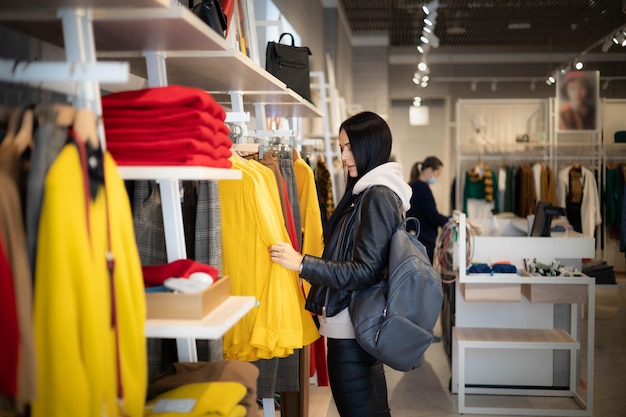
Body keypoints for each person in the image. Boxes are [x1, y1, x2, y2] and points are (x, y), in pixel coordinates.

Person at [269, 111, 411, 417]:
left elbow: (365, 270)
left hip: (351, 330)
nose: (343, 156)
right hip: (355, 325)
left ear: (369, 147)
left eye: (349, 147)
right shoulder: (368, 194)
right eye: (341, 147)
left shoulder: (377, 196)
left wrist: (303, 263)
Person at [407, 157, 449, 264]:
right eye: (437, 174)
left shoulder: (412, 186)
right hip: (424, 239)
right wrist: (450, 220)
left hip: (416, 237)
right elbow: (432, 215)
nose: (437, 177)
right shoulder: (422, 189)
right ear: (429, 170)